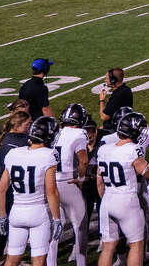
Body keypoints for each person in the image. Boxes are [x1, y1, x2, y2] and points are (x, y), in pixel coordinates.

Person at [0, 115, 62, 266]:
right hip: (38, 212)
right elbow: (52, 192)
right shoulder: (48, 155)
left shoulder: (14, 153)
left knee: (11, 260)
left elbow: (0, 190)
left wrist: (2, 217)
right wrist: (57, 219)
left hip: (16, 212)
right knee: (39, 260)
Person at [96, 111, 149, 266]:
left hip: (108, 200)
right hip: (126, 199)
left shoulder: (104, 149)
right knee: (136, 245)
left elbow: (99, 180)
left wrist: (105, 200)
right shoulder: (133, 150)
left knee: (108, 247)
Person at [53, 103, 92, 266]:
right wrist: (81, 180)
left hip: (51, 183)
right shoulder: (79, 133)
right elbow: (83, 160)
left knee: (55, 226)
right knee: (80, 226)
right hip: (68, 182)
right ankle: (81, 263)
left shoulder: (55, 132)